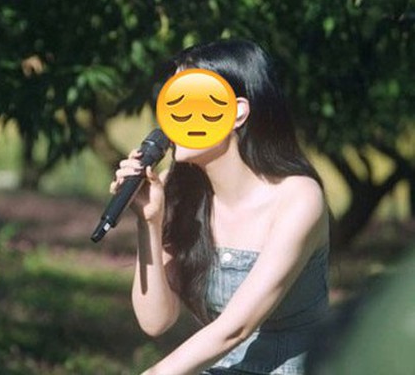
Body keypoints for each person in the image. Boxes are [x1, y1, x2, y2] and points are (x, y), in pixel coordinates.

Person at [111, 39, 329, 374]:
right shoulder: (178, 191)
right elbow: (155, 321)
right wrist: (149, 221)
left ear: (237, 112)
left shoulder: (298, 198)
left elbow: (235, 328)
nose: (172, 117)